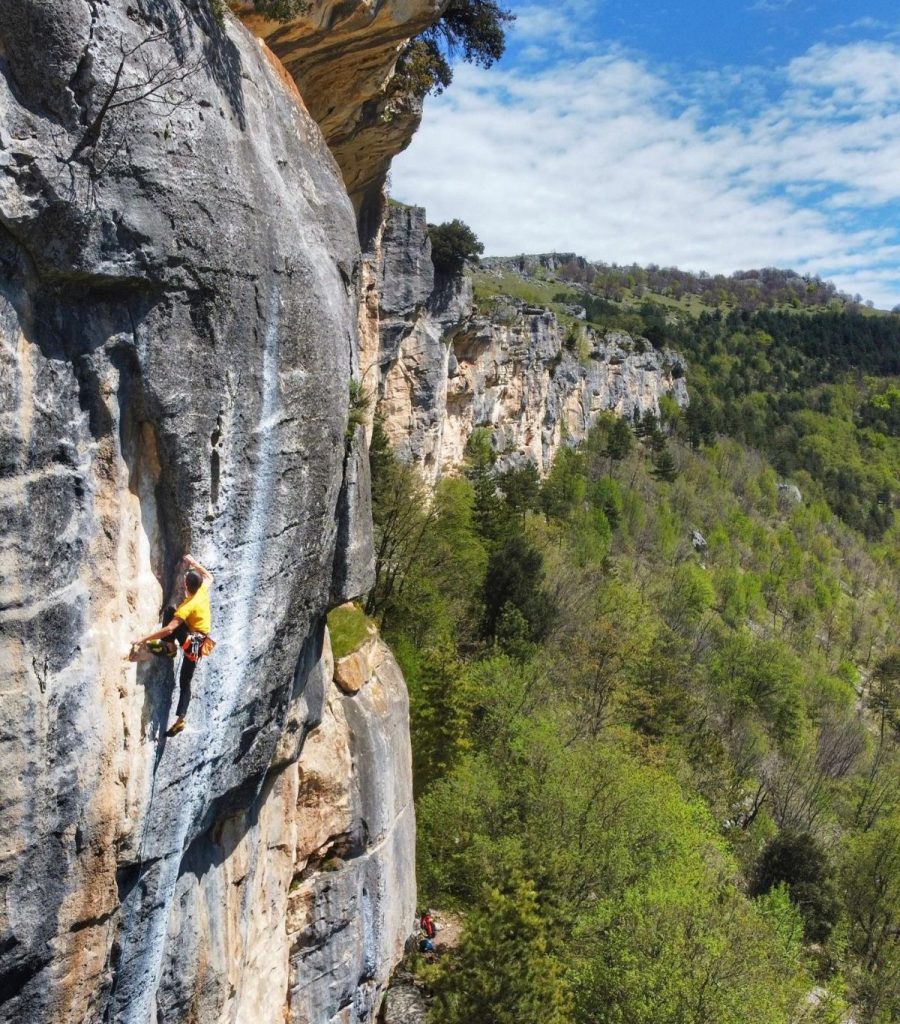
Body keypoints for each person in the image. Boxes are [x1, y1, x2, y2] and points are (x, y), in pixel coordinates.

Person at [133, 554, 214, 737]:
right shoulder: (202, 591)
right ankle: (181, 720)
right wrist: (193, 563)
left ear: (186, 585)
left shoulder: (188, 607)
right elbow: (209, 577)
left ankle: (169, 649)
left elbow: (169, 629)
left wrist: (143, 639)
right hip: (199, 640)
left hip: (192, 642)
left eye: (185, 579)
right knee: (185, 681)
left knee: (171, 612)